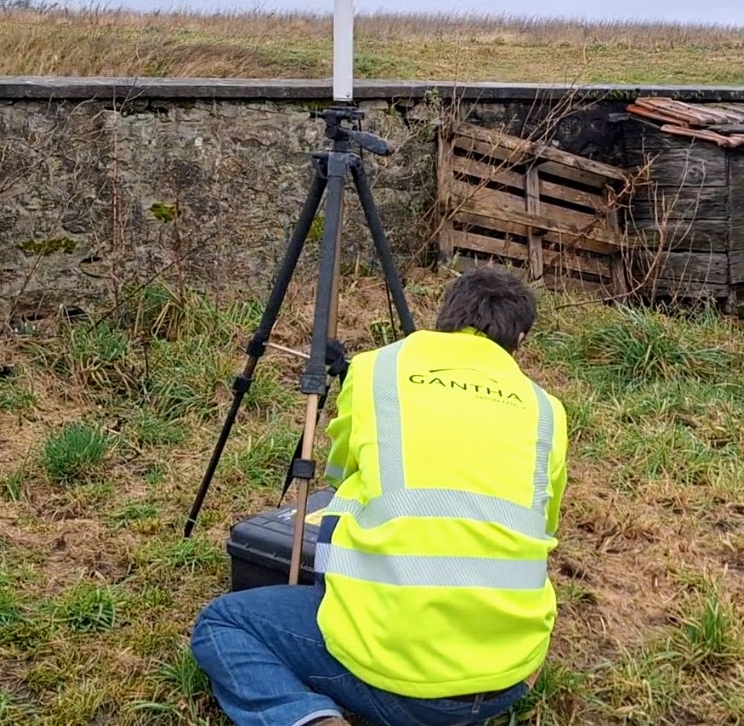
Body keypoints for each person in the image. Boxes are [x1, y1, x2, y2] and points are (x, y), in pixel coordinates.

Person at [190, 265, 570, 726]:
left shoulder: (376, 368)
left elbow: (338, 470)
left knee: (223, 623)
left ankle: (311, 718)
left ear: (445, 314)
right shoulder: (548, 410)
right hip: (506, 679)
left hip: (395, 681)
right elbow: (545, 524)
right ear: (521, 339)